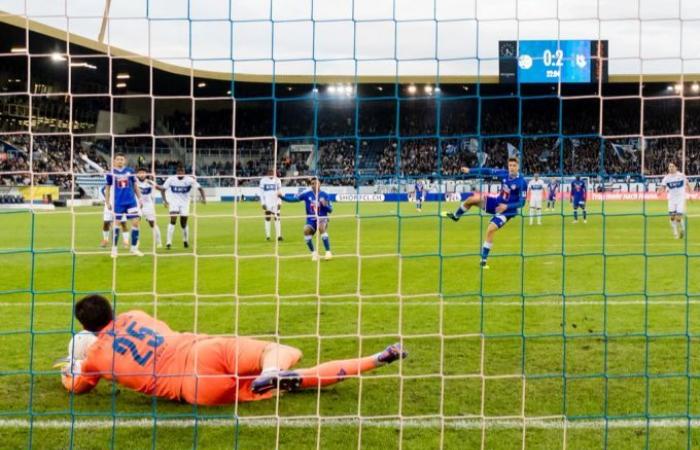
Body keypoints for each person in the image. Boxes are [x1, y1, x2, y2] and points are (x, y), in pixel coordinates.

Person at [58, 295, 407, 405]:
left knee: (297, 380)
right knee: (285, 355)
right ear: (112, 312)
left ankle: (375, 359)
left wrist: (68, 372)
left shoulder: (96, 359)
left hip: (191, 388)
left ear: (85, 329)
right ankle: (375, 359)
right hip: (203, 350)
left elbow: (79, 385)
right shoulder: (135, 315)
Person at [443, 157, 527, 269]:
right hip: (496, 203)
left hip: (507, 211)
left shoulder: (522, 182)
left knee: (491, 229)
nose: (511, 168)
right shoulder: (504, 174)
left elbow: (522, 203)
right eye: (510, 165)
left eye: (514, 166)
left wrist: (507, 206)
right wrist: (470, 171)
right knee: (471, 200)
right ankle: (456, 216)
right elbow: (487, 171)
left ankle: (483, 259)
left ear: (518, 167)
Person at [280, 177, 333, 261]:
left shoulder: (325, 195)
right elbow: (293, 199)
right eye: (312, 183)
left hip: (322, 218)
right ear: (310, 185)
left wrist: (324, 205)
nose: (314, 185)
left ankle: (328, 252)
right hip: (311, 219)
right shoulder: (307, 194)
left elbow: (330, 210)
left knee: (321, 227)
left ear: (319, 184)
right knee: (306, 230)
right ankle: (314, 253)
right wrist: (282, 197)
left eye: (316, 183)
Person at [104, 153, 142, 257]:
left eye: (122, 159)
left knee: (135, 223)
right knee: (116, 224)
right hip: (118, 202)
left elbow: (135, 185)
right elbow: (107, 188)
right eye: (118, 159)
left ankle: (134, 248)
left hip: (131, 202)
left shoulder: (130, 171)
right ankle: (114, 249)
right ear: (114, 161)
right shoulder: (111, 173)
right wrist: (107, 202)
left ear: (124, 161)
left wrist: (140, 198)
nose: (120, 161)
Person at [161, 165, 206, 250]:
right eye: (179, 171)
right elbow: (163, 189)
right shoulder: (171, 179)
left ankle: (185, 240)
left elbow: (200, 188)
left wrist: (204, 198)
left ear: (184, 172)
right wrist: (165, 201)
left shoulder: (190, 180)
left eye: (182, 171)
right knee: (173, 219)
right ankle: (168, 242)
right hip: (174, 202)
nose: (180, 173)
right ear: (176, 172)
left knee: (183, 223)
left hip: (185, 203)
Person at [661, 162, 691, 239]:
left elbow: (687, 183)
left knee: (678, 218)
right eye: (669, 167)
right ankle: (675, 232)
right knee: (672, 217)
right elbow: (663, 187)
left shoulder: (681, 175)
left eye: (672, 166)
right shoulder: (666, 178)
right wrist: (659, 191)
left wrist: (689, 190)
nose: (670, 168)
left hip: (680, 199)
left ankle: (683, 230)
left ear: (676, 167)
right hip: (671, 199)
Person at [136, 168, 162, 248]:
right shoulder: (134, 182)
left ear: (146, 174)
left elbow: (161, 189)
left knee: (152, 224)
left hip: (148, 205)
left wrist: (153, 183)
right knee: (135, 223)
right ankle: (136, 243)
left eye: (143, 173)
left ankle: (159, 242)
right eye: (140, 173)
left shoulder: (150, 182)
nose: (142, 174)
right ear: (137, 174)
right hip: (137, 205)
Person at [259, 168, 283, 241]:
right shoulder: (263, 181)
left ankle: (279, 236)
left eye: (272, 172)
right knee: (267, 217)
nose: (271, 173)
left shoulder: (278, 180)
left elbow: (280, 192)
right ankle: (268, 236)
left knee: (277, 217)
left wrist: (279, 202)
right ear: (267, 173)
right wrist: (263, 203)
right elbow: (261, 193)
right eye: (269, 172)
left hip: (275, 202)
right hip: (267, 202)